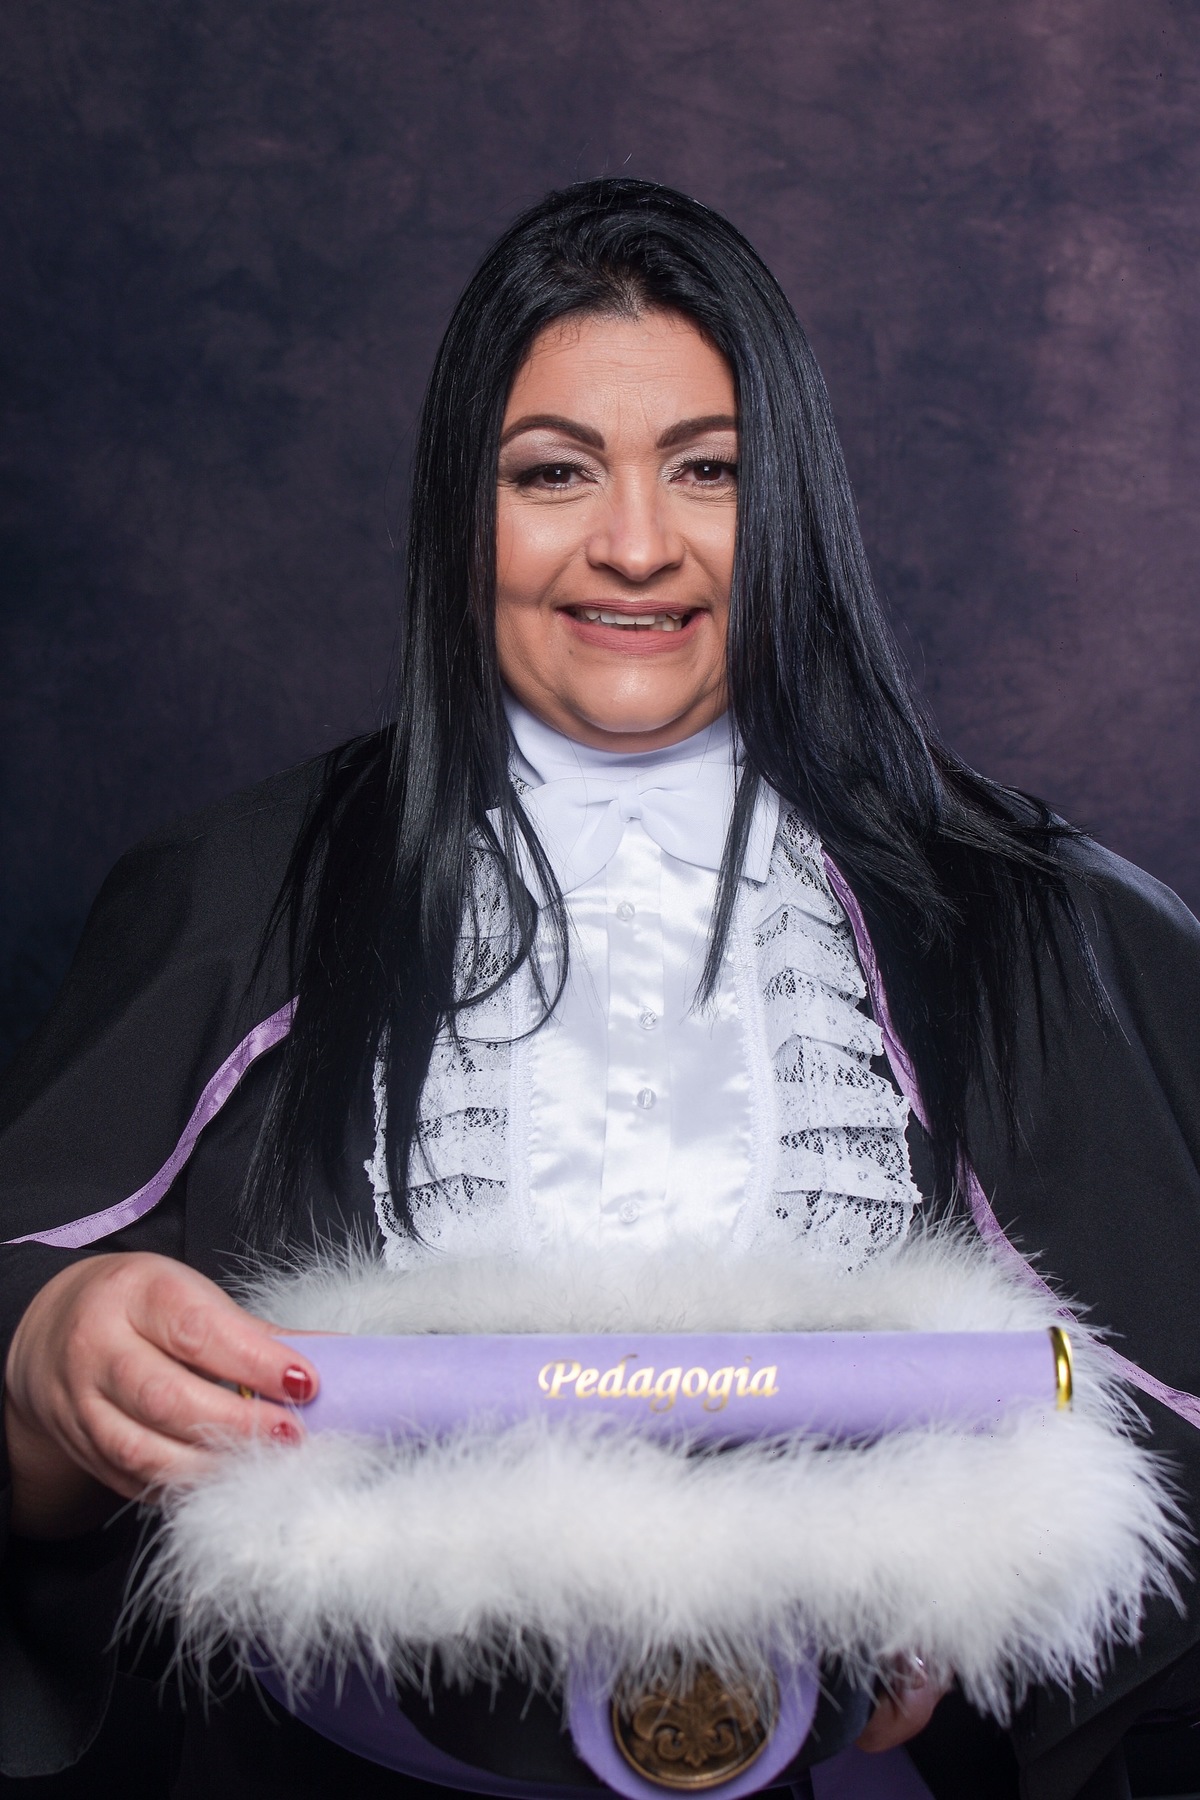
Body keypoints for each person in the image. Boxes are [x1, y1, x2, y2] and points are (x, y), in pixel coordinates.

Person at [1, 178, 1200, 1800]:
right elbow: (39, 1407)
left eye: (709, 470)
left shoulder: (1037, 916)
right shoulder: (239, 890)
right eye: (553, 472)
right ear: (460, 512)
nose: (636, 546)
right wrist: (48, 1359)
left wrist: (1007, 1571)